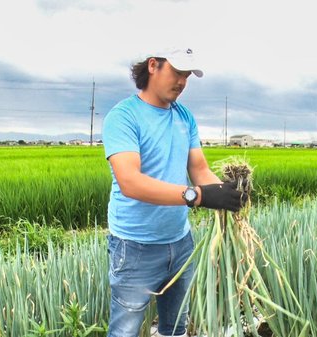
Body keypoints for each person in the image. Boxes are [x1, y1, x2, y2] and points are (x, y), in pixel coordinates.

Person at [102, 48, 247, 337]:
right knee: (125, 332)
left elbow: (200, 170)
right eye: (177, 72)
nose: (182, 81)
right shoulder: (122, 117)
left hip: (180, 243)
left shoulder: (184, 117)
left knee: (176, 327)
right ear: (153, 65)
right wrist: (199, 196)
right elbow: (130, 182)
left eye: (187, 75)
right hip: (134, 247)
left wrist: (226, 191)